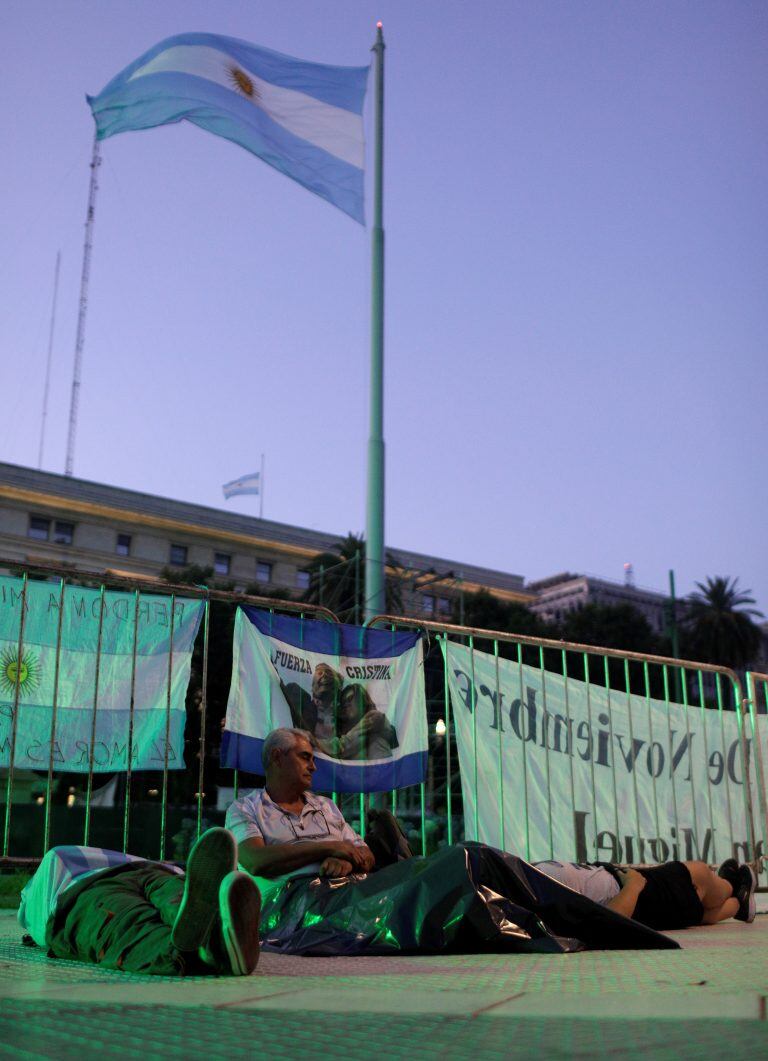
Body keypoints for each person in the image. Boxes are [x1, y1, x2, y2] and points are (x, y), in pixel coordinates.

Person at [226, 728, 755, 957]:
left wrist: (344, 853)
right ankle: (736, 888)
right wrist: (324, 852)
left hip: (357, 885)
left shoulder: (327, 808)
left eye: (315, 757)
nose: (315, 765)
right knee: (691, 884)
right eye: (305, 756)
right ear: (275, 759)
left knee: (697, 889)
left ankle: (737, 888)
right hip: (311, 901)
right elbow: (252, 858)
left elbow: (361, 852)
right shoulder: (247, 809)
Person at [18, 827, 261, 976]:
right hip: (143, 874)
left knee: (130, 924)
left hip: (96, 884)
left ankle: (211, 942)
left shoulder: (35, 890)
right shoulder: (35, 894)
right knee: (166, 905)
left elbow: (39, 927)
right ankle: (220, 938)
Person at [533, 857, 757, 930]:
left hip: (625, 885)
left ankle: (740, 903)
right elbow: (606, 924)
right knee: (698, 874)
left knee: (701, 914)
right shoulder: (532, 901)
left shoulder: (518, 882)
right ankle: (733, 884)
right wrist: (633, 884)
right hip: (637, 894)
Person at [313, 683, 399, 761]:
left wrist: (313, 742)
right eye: (343, 702)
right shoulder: (347, 730)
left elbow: (344, 746)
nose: (346, 704)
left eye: (350, 699)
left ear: (361, 700)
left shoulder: (375, 717)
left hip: (378, 773)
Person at [281, 663, 344, 742]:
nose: (323, 676)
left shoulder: (342, 717)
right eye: (320, 673)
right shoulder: (299, 699)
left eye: (327, 675)